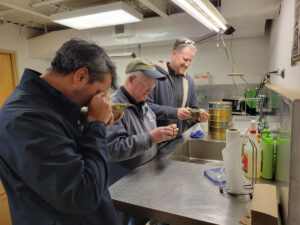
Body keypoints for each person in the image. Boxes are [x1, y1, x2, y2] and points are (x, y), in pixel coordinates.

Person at [0, 39, 122, 225]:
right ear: (80, 76)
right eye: (99, 92)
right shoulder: (24, 119)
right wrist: (95, 125)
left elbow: (74, 158)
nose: (100, 100)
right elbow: (82, 195)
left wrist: (95, 127)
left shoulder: (54, 107)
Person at [107, 58, 179, 186]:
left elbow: (148, 141)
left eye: (153, 86)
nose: (150, 90)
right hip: (123, 185)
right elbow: (114, 149)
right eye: (147, 85)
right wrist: (151, 138)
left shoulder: (145, 106)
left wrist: (163, 136)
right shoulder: (114, 107)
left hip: (144, 178)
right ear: (130, 80)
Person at [146, 37, 210, 137]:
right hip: (155, 141)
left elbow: (193, 108)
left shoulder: (189, 81)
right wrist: (175, 112)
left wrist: (198, 116)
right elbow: (146, 107)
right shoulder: (153, 73)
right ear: (174, 54)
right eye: (185, 59)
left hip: (176, 139)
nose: (187, 64)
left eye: (190, 61)